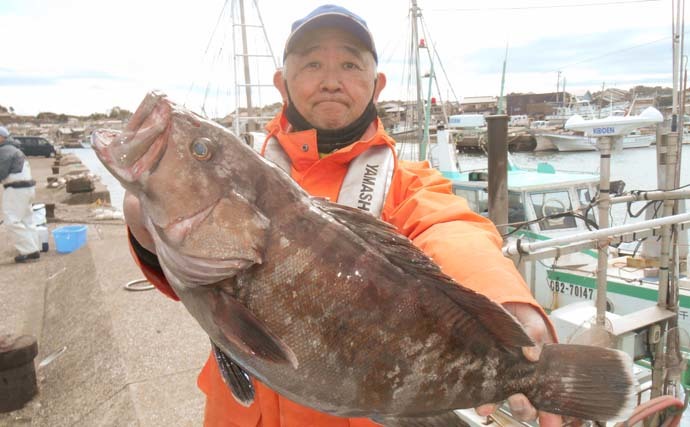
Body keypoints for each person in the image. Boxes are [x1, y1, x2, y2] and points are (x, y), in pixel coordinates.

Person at [125, 5, 562, 426]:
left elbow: (450, 228)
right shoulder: (240, 177)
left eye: (351, 66)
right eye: (312, 64)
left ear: (377, 83)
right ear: (282, 83)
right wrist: (147, 237)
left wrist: (505, 304)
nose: (331, 80)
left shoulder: (410, 182)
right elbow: (201, 281)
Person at [0, 126, 40, 263]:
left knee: (11, 221)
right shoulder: (15, 149)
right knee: (27, 219)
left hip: (15, 189)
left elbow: (1, 172)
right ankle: (35, 246)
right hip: (27, 188)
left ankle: (29, 250)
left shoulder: (4, 151)